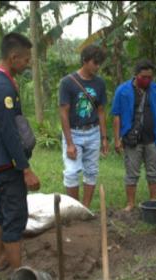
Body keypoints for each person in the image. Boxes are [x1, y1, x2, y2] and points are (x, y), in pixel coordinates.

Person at [0, 32, 40, 271]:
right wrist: (25, 168)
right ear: (14, 57)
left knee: (0, 212)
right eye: (26, 60)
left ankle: (2, 258)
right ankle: (20, 276)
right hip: (8, 163)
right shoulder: (3, 87)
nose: (27, 64)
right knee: (15, 218)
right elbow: (9, 132)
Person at [112, 59, 156, 211]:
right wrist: (117, 139)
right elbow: (116, 116)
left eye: (150, 77)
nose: (147, 80)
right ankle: (130, 203)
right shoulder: (122, 91)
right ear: (136, 75)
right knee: (132, 172)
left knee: (153, 172)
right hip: (131, 139)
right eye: (144, 77)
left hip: (153, 138)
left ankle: (154, 201)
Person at [59, 44, 108, 208]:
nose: (97, 66)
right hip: (74, 132)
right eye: (95, 62)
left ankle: (85, 208)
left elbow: (101, 111)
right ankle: (75, 207)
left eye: (99, 63)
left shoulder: (100, 83)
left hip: (93, 132)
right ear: (85, 61)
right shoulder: (67, 82)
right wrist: (70, 143)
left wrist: (104, 138)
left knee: (91, 171)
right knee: (72, 172)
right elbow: (63, 113)